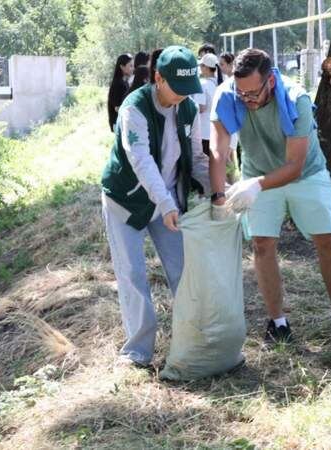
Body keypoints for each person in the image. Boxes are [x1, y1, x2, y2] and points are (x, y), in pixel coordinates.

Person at [209, 48, 331, 343]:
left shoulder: (296, 99)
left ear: (270, 82)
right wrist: (219, 196)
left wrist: (255, 186)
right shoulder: (227, 95)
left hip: (305, 174)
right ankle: (278, 323)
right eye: (241, 93)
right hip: (256, 170)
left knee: (325, 240)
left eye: (253, 93)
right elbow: (218, 150)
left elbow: (295, 166)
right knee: (262, 245)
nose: (247, 100)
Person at [101, 46, 210, 368]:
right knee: (132, 273)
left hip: (168, 202)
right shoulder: (133, 109)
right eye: (177, 89)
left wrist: (219, 189)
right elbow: (141, 160)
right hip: (127, 201)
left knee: (183, 270)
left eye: (188, 90)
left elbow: (198, 159)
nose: (182, 97)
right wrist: (165, 203)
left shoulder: (188, 108)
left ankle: (192, 340)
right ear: (158, 78)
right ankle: (138, 351)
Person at [196, 53, 220, 157]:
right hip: (217, 129)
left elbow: (201, 108)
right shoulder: (220, 82)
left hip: (204, 131)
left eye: (201, 65)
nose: (200, 68)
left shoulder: (202, 84)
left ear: (206, 68)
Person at [107, 54, 134, 131]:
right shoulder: (118, 84)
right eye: (130, 66)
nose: (133, 68)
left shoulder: (124, 82)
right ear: (122, 67)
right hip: (119, 124)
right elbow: (117, 107)